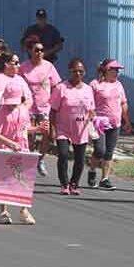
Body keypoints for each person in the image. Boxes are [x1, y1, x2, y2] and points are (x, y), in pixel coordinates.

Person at [0, 81, 38, 225]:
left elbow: (25, 128)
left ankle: (23, 210)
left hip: (22, 148)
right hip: (6, 150)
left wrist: (38, 129)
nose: (11, 104)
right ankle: (3, 211)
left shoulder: (23, 110)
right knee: (4, 181)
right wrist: (10, 143)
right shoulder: (2, 111)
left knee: (23, 180)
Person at [50, 58, 95, 196]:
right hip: (63, 127)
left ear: (85, 72)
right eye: (75, 71)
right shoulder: (61, 88)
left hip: (81, 128)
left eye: (81, 71)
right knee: (63, 154)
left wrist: (92, 118)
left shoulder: (88, 89)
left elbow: (91, 109)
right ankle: (64, 183)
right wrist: (52, 129)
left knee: (80, 158)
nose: (78, 74)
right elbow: (53, 110)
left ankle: (74, 183)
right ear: (70, 71)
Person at [87, 59, 132, 190]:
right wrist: (91, 118)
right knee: (100, 150)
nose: (117, 72)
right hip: (98, 122)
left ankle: (105, 178)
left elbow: (123, 103)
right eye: (114, 70)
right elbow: (88, 102)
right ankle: (92, 170)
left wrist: (126, 120)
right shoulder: (95, 84)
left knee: (109, 152)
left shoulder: (119, 85)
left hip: (115, 123)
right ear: (106, 70)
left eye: (118, 70)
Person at [19, 38, 61, 177]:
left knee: (46, 134)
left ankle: (40, 159)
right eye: (36, 50)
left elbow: (56, 85)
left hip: (45, 107)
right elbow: (16, 84)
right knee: (30, 136)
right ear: (30, 51)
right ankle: (30, 159)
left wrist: (56, 103)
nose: (40, 52)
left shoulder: (49, 66)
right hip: (29, 107)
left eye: (42, 50)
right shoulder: (24, 67)